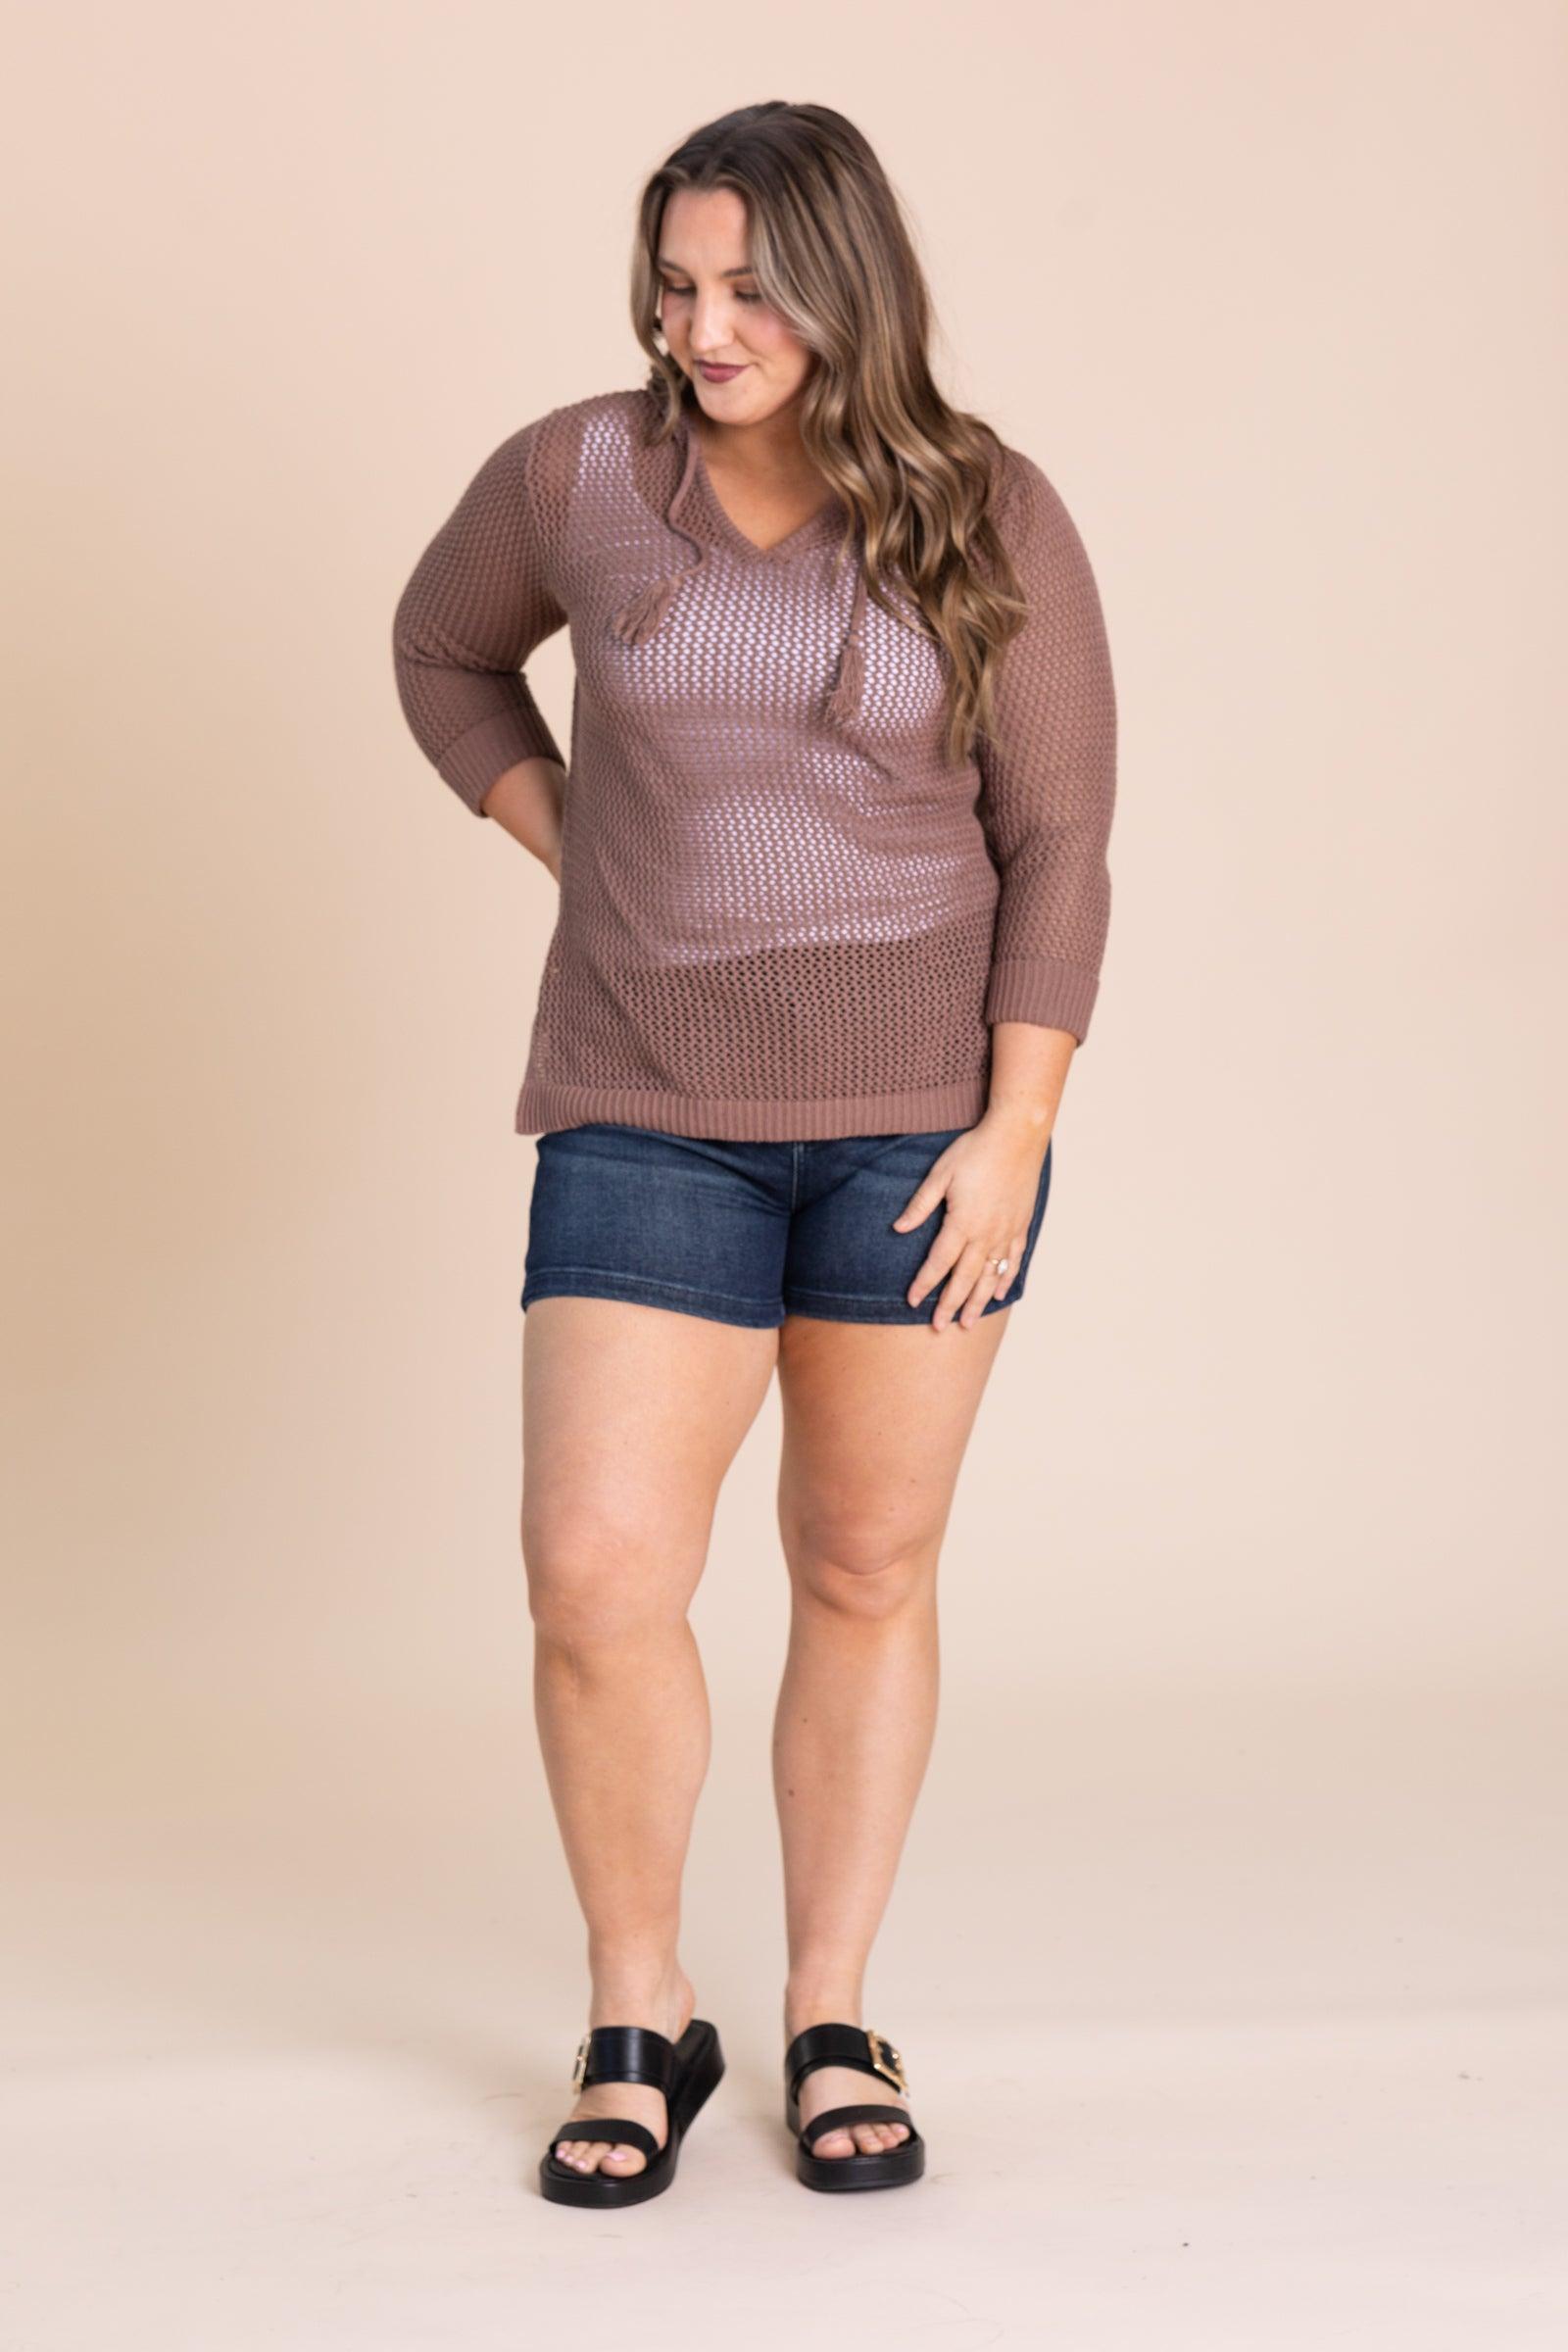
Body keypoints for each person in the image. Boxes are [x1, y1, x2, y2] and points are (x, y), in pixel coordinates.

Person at [391, 100, 1117, 2205]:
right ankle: (641, 2012)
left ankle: (829, 2010)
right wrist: (576, 847)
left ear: (847, 289)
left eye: (748, 290)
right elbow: (443, 654)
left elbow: (1060, 839)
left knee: (863, 1566)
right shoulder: (579, 479)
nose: (702, 330)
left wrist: (1016, 1129)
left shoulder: (984, 505)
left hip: (919, 1128)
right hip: (644, 1097)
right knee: (595, 1571)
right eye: (675, 286)